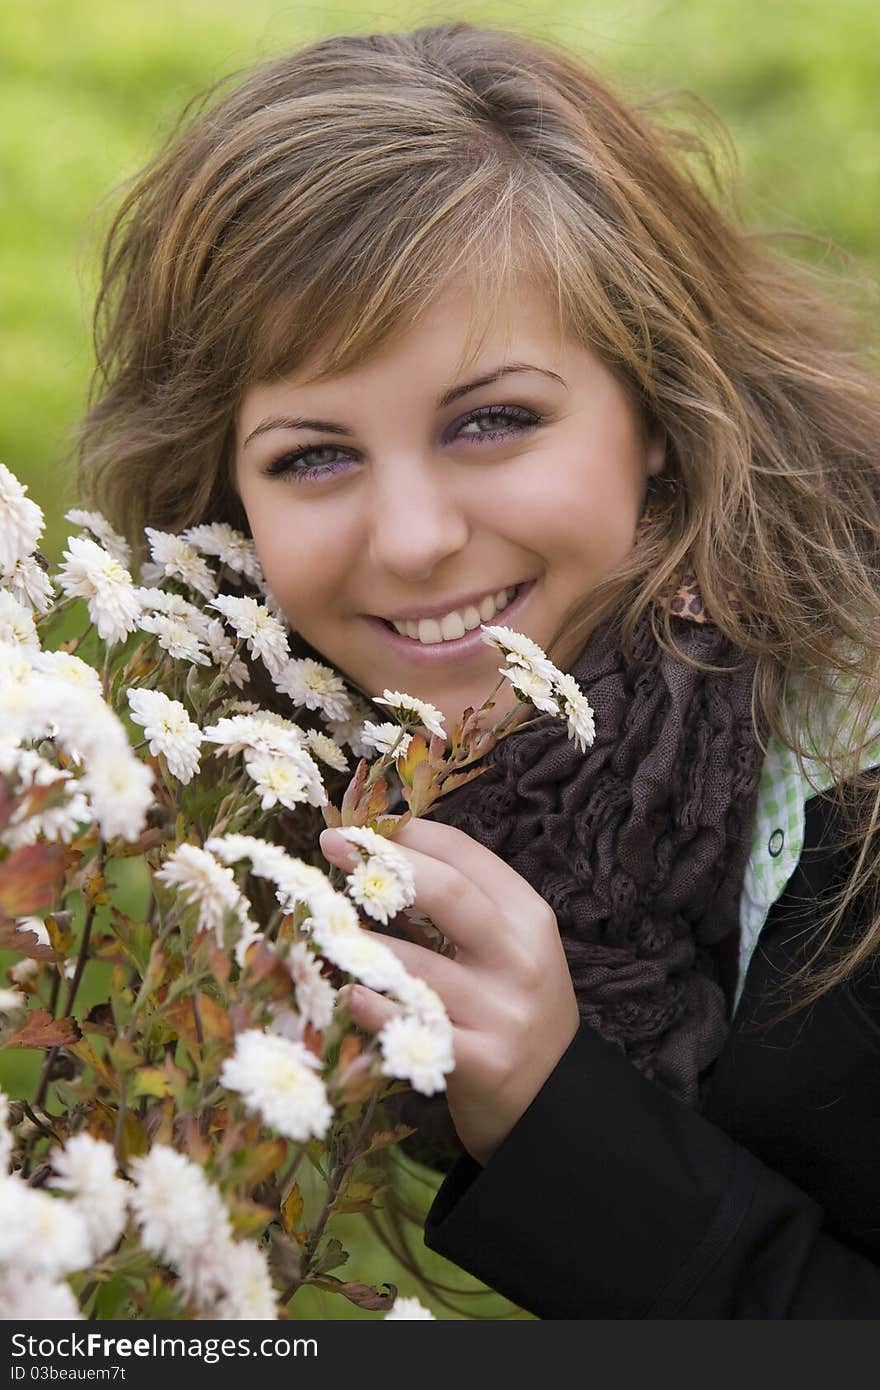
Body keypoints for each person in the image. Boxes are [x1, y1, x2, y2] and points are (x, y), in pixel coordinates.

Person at [75, 22, 880, 1317]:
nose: (413, 539)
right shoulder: (313, 790)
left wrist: (569, 1118)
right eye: (314, 455)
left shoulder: (851, 793)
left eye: (493, 420)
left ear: (662, 416)